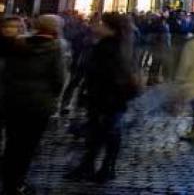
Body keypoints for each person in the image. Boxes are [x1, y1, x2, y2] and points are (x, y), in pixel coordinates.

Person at [68, 13, 140, 184]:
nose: (96, 26)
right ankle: (90, 166)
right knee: (98, 134)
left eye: (101, 24)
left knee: (109, 133)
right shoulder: (105, 44)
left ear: (111, 29)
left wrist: (104, 98)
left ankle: (106, 168)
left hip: (109, 99)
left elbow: (111, 76)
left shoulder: (112, 48)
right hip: (101, 97)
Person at [1, 15, 66, 195]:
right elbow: (58, 79)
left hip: (13, 100)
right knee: (28, 146)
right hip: (39, 104)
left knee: (13, 143)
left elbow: (6, 70)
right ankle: (17, 183)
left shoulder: (18, 44)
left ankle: (8, 180)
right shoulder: (55, 47)